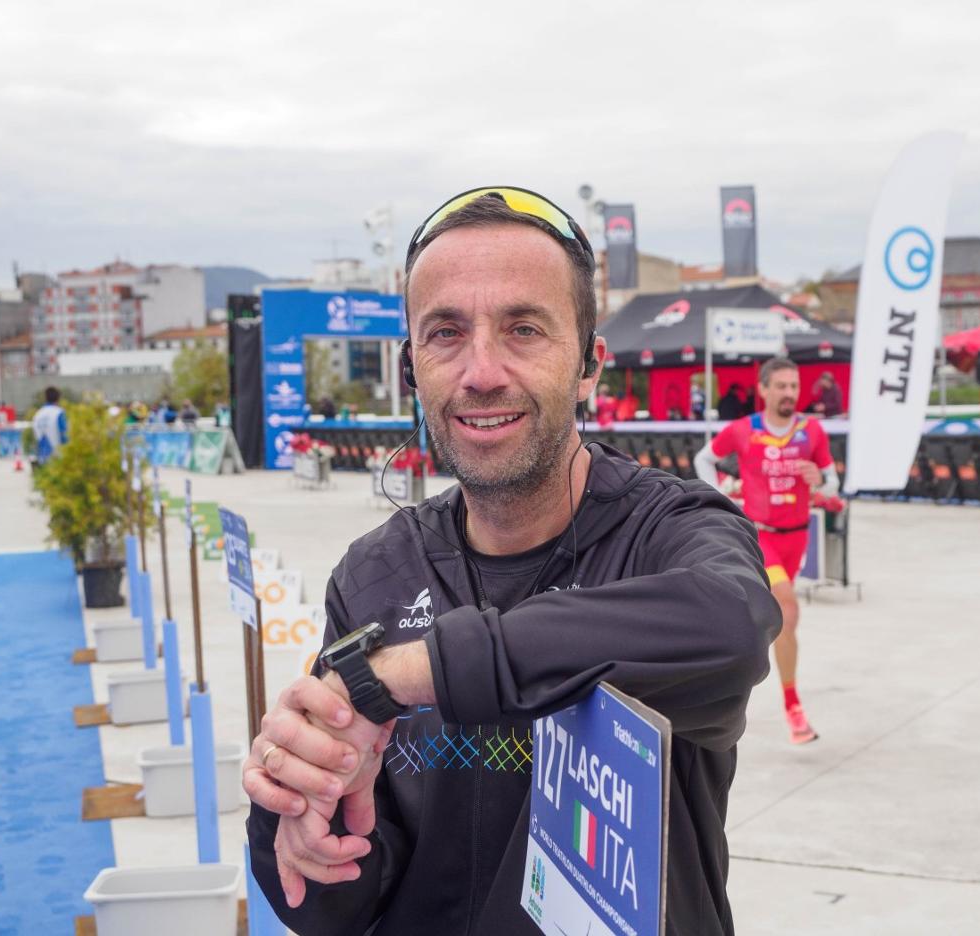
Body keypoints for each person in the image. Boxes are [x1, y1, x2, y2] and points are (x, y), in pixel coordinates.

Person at [242, 187, 779, 935]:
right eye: (446, 333)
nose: (482, 371)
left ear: (590, 364)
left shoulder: (669, 533)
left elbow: (734, 628)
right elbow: (334, 908)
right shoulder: (375, 575)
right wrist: (299, 817)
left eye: (523, 329)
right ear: (412, 369)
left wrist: (406, 674)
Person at [693, 357, 838, 745]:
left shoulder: (812, 431)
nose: (790, 393)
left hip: (798, 536)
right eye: (782, 386)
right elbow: (703, 458)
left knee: (777, 621)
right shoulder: (744, 430)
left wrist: (822, 480)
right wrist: (720, 493)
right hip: (760, 537)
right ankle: (794, 708)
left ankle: (733, 669)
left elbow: (834, 483)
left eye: (794, 386)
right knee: (787, 610)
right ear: (764, 389)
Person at [32, 386, 68, 467]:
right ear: (58, 398)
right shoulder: (59, 413)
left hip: (42, 457)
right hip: (58, 457)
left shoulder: (38, 414)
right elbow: (64, 435)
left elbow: (36, 437)